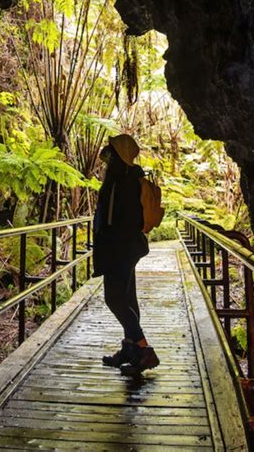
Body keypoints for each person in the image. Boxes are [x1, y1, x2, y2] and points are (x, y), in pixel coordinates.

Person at [93, 134, 159, 374]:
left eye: (111, 153)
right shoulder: (124, 178)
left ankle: (143, 349)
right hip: (125, 247)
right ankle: (130, 349)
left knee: (114, 297)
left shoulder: (124, 181)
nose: (107, 158)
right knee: (127, 297)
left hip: (119, 248)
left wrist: (109, 245)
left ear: (119, 156)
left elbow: (120, 220)